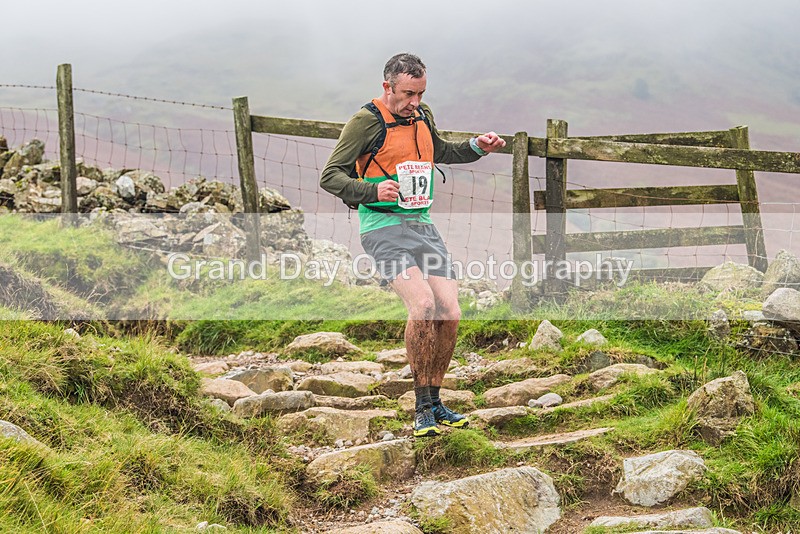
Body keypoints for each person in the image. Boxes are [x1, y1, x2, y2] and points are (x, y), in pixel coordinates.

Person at [320, 53, 506, 437]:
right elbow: (330, 176)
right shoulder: (365, 122)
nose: (414, 102)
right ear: (387, 87)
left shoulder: (423, 115)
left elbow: (439, 152)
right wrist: (371, 189)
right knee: (422, 304)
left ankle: (436, 401)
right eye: (407, 94)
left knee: (449, 311)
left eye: (420, 93)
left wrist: (478, 145)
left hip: (421, 226)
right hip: (382, 227)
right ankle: (421, 407)